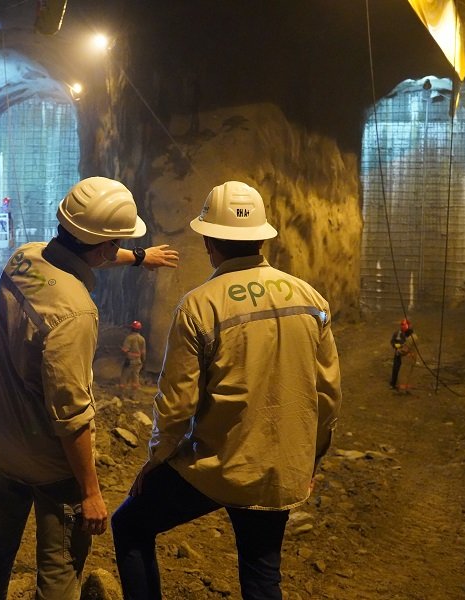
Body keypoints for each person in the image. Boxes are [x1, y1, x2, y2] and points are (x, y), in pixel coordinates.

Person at [111, 180, 342, 600]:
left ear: (209, 242)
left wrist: (156, 460)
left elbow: (177, 405)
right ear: (262, 239)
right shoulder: (310, 299)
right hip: (280, 469)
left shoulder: (199, 305)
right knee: (262, 573)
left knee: (129, 525)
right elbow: (328, 395)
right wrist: (309, 459)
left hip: (219, 466)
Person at [0, 176, 179, 600]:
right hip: (52, 465)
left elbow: (80, 255)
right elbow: (71, 413)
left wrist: (138, 257)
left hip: (4, 445)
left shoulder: (22, 259)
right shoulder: (75, 313)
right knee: (59, 573)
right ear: (103, 247)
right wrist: (91, 493)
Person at [120, 320, 147, 398]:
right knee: (135, 378)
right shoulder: (142, 339)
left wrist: (124, 353)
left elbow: (125, 350)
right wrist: (143, 361)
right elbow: (143, 352)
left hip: (129, 361)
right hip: (138, 361)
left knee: (124, 377)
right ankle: (133, 396)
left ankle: (122, 395)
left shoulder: (129, 338)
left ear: (132, 328)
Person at [390, 318, 415, 390]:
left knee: (405, 371)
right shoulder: (397, 333)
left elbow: (412, 343)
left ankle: (404, 385)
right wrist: (395, 345)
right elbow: (392, 341)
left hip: (406, 355)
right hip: (398, 353)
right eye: (401, 325)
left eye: (404, 325)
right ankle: (393, 383)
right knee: (395, 368)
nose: (402, 326)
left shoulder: (410, 334)